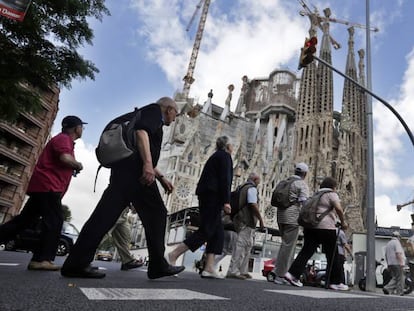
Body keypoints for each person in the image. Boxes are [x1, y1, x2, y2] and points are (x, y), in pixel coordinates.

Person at [61, 97, 185, 279]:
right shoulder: (153, 112)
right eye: (176, 114)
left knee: (103, 217)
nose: (175, 118)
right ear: (168, 109)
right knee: (157, 214)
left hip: (125, 172)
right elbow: (140, 133)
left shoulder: (146, 113)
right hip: (137, 175)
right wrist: (148, 166)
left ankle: (75, 263)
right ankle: (158, 265)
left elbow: (140, 147)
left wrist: (161, 177)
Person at [0, 115, 85, 271]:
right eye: (82, 127)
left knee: (23, 221)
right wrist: (78, 165)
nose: (83, 130)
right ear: (76, 128)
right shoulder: (63, 139)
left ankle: (40, 258)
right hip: (48, 186)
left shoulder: (65, 140)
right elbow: (65, 158)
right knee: (54, 221)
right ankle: (42, 259)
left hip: (44, 187)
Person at [168, 136, 233, 279]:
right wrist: (226, 201)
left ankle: (209, 267)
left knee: (217, 233)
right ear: (228, 146)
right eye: (232, 145)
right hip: (212, 197)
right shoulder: (225, 157)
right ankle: (174, 254)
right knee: (206, 230)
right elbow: (225, 180)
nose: (233, 148)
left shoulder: (216, 156)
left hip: (207, 195)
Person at [284, 177, 349, 291]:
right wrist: (343, 222)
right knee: (332, 256)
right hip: (326, 228)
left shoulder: (315, 195)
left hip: (310, 227)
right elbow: (338, 208)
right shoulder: (331, 194)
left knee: (306, 252)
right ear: (333, 186)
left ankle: (292, 274)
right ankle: (335, 282)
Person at [273, 163, 309, 285]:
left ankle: (281, 272)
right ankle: (280, 275)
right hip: (292, 218)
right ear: (305, 174)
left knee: (286, 245)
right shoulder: (301, 184)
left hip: (281, 217)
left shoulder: (285, 181)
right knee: (288, 247)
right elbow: (304, 202)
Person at [227, 172, 264, 280]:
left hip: (245, 221)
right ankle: (233, 270)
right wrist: (261, 219)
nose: (259, 183)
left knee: (248, 246)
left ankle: (243, 270)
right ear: (256, 179)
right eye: (259, 181)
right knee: (241, 246)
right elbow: (253, 204)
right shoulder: (251, 189)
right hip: (246, 221)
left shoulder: (242, 187)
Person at [103, 205, 143, 271]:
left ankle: (127, 261)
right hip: (117, 208)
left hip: (124, 213)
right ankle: (83, 257)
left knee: (125, 237)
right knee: (103, 233)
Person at [383, 231, 406, 295]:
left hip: (390, 263)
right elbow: (398, 253)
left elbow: (386, 255)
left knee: (395, 277)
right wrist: (401, 262)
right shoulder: (397, 243)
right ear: (398, 237)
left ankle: (388, 288)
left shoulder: (388, 243)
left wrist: (388, 264)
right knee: (400, 278)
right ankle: (399, 292)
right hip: (397, 263)